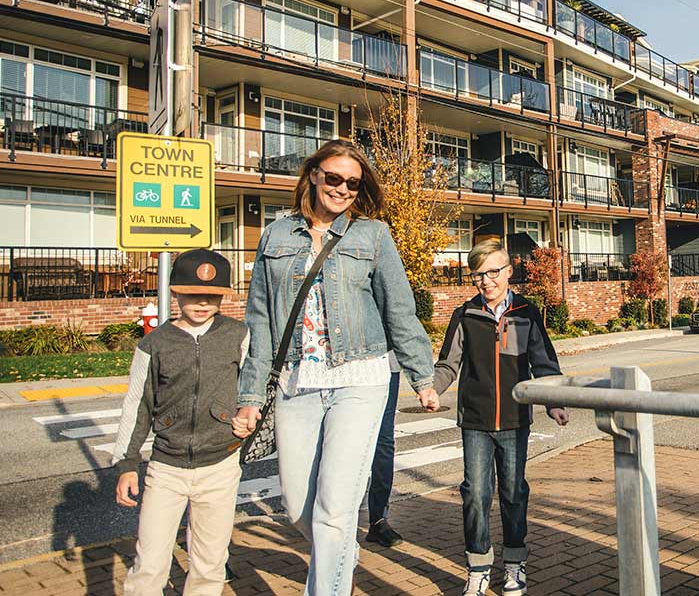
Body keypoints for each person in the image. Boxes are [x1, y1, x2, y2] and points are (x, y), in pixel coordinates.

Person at [233, 140, 433, 596]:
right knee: (300, 510)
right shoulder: (276, 235)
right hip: (295, 382)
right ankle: (341, 552)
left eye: (353, 182)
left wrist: (422, 376)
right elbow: (259, 320)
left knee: (332, 512)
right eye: (335, 177)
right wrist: (248, 396)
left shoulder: (373, 235)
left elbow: (399, 310)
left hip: (360, 379)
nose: (342, 188)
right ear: (314, 175)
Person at [421, 239, 570, 596]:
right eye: (478, 274)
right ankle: (478, 565)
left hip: (516, 420)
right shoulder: (466, 315)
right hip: (475, 420)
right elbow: (448, 363)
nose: (486, 280)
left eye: (493, 272)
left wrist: (553, 401)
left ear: (508, 272)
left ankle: (515, 564)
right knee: (474, 493)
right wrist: (432, 389)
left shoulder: (525, 312)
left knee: (514, 492)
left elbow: (543, 363)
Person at [111, 249, 248, 595]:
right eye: (192, 294)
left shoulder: (238, 335)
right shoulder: (154, 344)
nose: (202, 303)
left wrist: (251, 419)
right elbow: (137, 406)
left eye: (212, 296)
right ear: (175, 292)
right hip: (166, 469)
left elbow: (255, 390)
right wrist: (127, 463)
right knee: (149, 563)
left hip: (221, 465)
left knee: (209, 564)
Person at [364, 364, 405, 547]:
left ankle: (378, 520)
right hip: (345, 367)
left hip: (386, 367)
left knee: (383, 442)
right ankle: (333, 519)